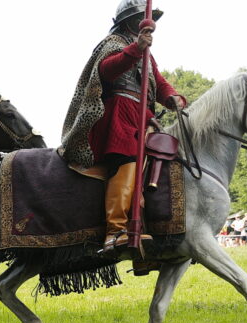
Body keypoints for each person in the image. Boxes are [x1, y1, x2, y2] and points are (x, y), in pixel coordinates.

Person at [60, 0, 186, 251]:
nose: (143, 23)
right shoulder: (114, 44)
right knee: (128, 163)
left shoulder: (148, 55)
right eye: (139, 18)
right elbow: (106, 71)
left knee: (159, 167)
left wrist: (173, 98)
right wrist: (136, 48)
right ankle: (115, 231)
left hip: (143, 116)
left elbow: (158, 83)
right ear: (128, 21)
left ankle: (148, 231)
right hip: (118, 114)